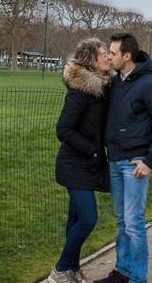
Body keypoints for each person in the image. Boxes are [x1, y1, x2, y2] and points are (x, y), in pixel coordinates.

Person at [94, 34, 152, 283]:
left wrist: (149, 161)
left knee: (133, 222)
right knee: (122, 221)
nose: (109, 56)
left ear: (127, 56)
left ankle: (138, 278)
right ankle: (123, 271)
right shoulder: (116, 82)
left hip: (135, 163)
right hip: (115, 159)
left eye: (113, 53)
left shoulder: (150, 85)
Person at [48, 39, 114, 283]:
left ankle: (71, 271)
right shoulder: (80, 92)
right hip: (74, 165)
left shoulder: (102, 89)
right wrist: (93, 151)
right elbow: (63, 130)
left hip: (86, 165)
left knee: (76, 218)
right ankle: (59, 270)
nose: (108, 56)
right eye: (103, 53)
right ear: (91, 61)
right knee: (88, 218)